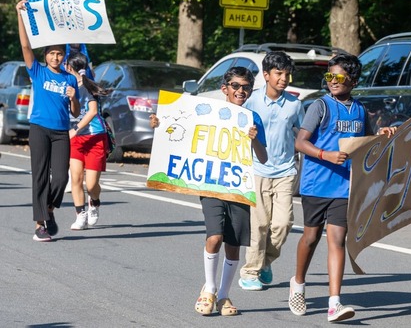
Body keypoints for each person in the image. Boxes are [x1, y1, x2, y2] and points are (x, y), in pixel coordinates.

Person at [150, 66, 267, 316]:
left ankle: (224, 295)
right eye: (235, 86)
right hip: (211, 184)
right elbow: (180, 132)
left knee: (234, 244)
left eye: (246, 87)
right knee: (215, 237)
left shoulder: (252, 119)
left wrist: (254, 138)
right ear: (225, 88)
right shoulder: (209, 113)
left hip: (237, 187)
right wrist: (160, 124)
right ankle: (209, 289)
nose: (241, 91)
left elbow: (264, 158)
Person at [288, 53, 396, 322]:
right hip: (316, 184)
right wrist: (325, 155)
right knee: (311, 238)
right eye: (329, 76)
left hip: (345, 186)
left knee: (337, 240)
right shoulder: (320, 106)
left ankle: (334, 303)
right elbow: (300, 143)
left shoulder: (359, 109)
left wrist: (381, 135)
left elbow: (367, 143)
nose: (332, 81)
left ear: (353, 80)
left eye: (338, 76)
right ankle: (298, 284)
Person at [238, 51, 304, 291]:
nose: (284, 78)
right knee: (259, 224)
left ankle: (265, 261)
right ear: (266, 75)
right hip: (257, 170)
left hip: (286, 171)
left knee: (283, 223)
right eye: (278, 73)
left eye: (287, 74)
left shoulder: (295, 105)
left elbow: (303, 135)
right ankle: (250, 271)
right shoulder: (251, 101)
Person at [16, 0, 81, 242]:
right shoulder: (38, 71)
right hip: (39, 128)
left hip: (61, 131)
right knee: (40, 176)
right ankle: (39, 224)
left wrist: (74, 98)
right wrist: (20, 15)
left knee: (62, 177)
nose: (55, 57)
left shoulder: (70, 79)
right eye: (52, 53)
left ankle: (50, 210)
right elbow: (25, 47)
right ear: (46, 56)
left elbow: (75, 112)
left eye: (59, 54)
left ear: (64, 57)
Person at [65, 52, 112, 230]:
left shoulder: (87, 86)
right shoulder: (65, 85)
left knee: (91, 184)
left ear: (70, 67)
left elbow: (92, 111)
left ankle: (95, 202)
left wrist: (75, 130)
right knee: (75, 179)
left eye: (66, 66)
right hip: (75, 139)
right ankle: (80, 215)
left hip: (94, 137)